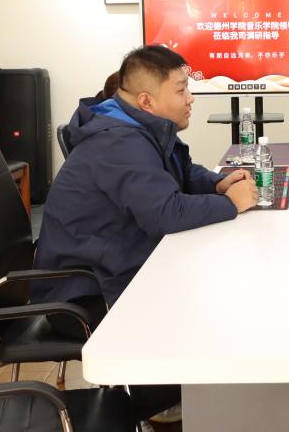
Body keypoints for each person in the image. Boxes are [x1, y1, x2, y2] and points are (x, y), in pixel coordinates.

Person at [33, 45, 258, 423]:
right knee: (206, 305)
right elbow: (166, 213)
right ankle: (149, 404)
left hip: (117, 263)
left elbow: (179, 172)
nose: (190, 98)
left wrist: (217, 184)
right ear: (147, 100)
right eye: (181, 90)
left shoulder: (139, 126)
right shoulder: (118, 141)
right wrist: (231, 204)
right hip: (84, 292)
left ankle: (176, 395)